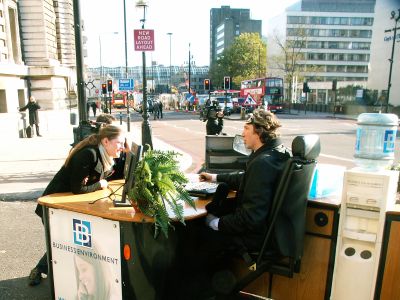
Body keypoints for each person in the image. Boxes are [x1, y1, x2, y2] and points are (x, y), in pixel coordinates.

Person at [178, 109, 291, 298]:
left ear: (259, 132)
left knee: (193, 240)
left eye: (246, 128)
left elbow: (250, 218)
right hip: (273, 233)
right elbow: (248, 180)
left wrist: (214, 223)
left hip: (253, 237)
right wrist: (214, 177)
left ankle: (200, 293)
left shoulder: (262, 163)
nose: (243, 134)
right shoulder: (277, 154)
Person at [28, 125, 125, 286]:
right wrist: (101, 184)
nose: (122, 147)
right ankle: (43, 272)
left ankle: (49, 273)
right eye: (120, 143)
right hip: (54, 206)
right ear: (106, 141)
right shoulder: (89, 154)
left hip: (66, 204)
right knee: (61, 241)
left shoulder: (103, 154)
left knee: (66, 241)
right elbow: (78, 188)